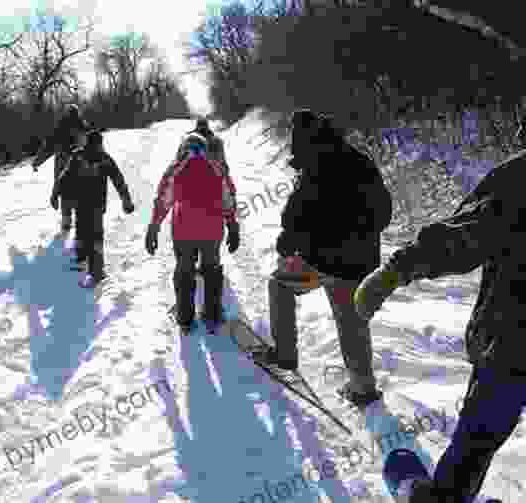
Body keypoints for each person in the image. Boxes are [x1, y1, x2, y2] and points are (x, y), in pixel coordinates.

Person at [353, 149, 526, 503]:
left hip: (513, 345)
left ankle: (443, 498)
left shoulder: (519, 176)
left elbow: (471, 233)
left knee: (477, 436)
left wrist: (398, 269)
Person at [258, 109, 392, 408]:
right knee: (352, 322)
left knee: (279, 285)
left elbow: (293, 218)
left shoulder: (314, 167)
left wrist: (288, 244)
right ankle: (363, 388)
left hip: (321, 263)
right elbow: (384, 212)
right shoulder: (361, 161)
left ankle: (285, 354)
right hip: (360, 263)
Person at [145, 132, 240, 333]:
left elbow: (163, 200)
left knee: (185, 269)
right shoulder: (217, 167)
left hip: (183, 230)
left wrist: (153, 228)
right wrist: (232, 225)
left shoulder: (175, 168)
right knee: (212, 268)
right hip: (212, 230)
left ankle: (185, 318)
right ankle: (212, 314)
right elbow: (228, 198)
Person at [50, 129, 134, 286]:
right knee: (89, 233)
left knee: (87, 233)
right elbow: (118, 179)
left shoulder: (81, 156)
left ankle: (94, 269)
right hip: (91, 204)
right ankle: (87, 263)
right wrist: (126, 200)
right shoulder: (99, 158)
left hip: (85, 204)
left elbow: (64, 177)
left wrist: (55, 194)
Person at [32, 104, 89, 234]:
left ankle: (67, 220)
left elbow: (48, 147)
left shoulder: (60, 128)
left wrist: (37, 162)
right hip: (82, 165)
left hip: (63, 165)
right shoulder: (83, 127)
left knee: (65, 191)